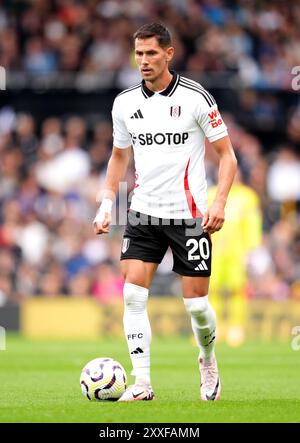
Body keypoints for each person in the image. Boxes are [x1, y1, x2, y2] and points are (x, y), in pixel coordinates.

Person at [93, 23, 237, 401]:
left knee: (196, 305)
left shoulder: (195, 98)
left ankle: (207, 358)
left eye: (151, 53)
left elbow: (227, 156)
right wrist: (107, 202)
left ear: (169, 54)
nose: (143, 60)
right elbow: (119, 156)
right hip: (142, 214)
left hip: (189, 216)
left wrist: (219, 201)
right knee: (132, 296)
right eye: (138, 53)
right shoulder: (124, 103)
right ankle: (142, 383)